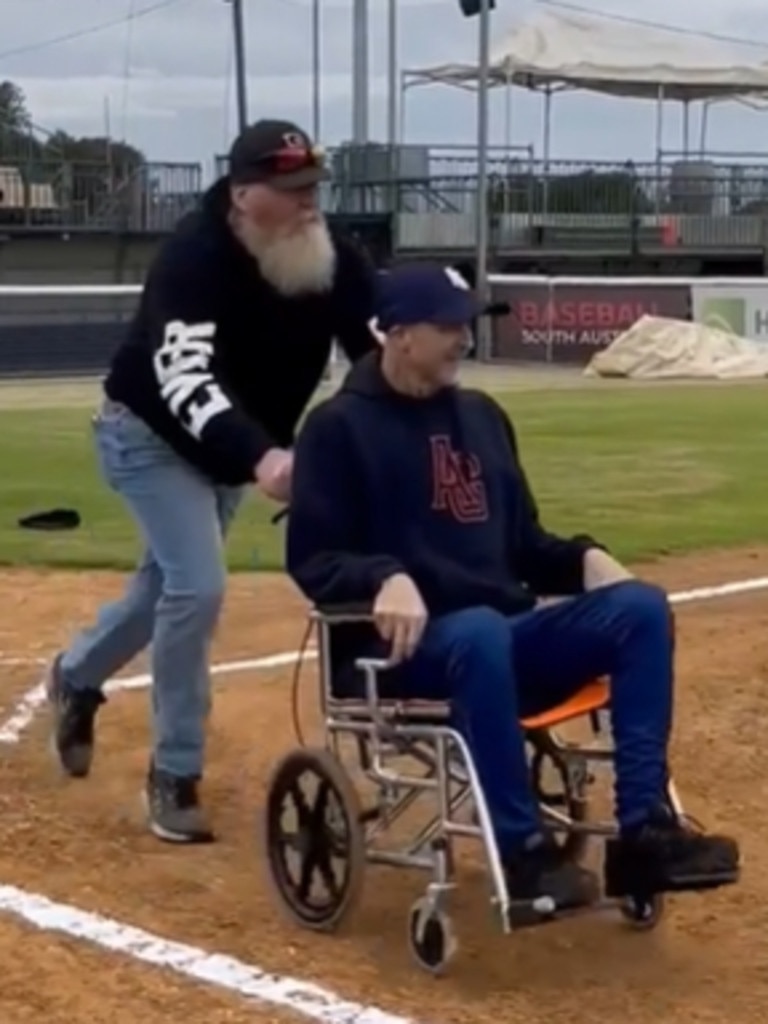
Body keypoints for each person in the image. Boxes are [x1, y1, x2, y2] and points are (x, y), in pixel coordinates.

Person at [285, 262, 740, 920]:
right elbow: (313, 558)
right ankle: (522, 855)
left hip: (500, 639)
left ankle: (645, 833)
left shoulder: (483, 416)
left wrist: (586, 559)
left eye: (467, 325)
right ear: (399, 334)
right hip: (400, 652)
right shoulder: (336, 429)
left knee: (639, 608)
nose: (463, 339)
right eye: (448, 326)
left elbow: (524, 543)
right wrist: (382, 575)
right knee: (477, 629)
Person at [45, 118, 379, 844]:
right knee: (197, 586)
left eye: (313, 187)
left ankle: (75, 675)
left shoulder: (329, 256)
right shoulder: (194, 258)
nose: (308, 203)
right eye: (290, 190)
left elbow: (372, 351)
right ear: (241, 195)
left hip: (235, 451)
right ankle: (175, 773)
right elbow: (184, 377)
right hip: (149, 437)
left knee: (161, 591)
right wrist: (262, 458)